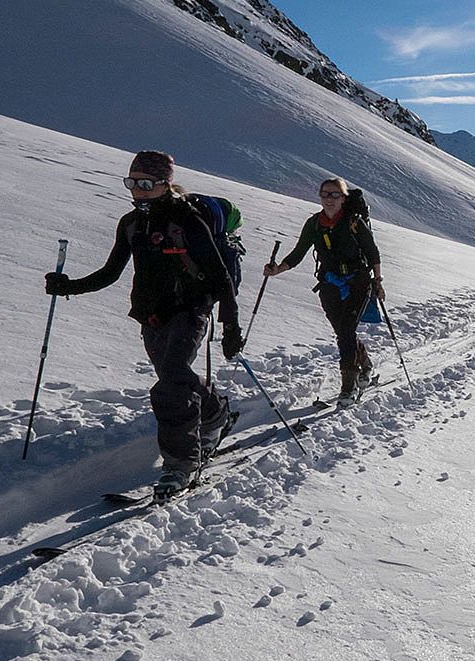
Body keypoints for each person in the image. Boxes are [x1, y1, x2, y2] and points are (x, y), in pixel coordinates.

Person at [45, 150, 243, 500]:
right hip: (151, 313)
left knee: (171, 380)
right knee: (175, 377)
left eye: (146, 183)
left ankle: (180, 463)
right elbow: (110, 272)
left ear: (165, 184)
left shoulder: (188, 221)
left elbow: (220, 275)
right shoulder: (131, 223)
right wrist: (68, 287)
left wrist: (231, 326)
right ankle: (216, 414)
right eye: (132, 182)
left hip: (190, 308)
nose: (137, 189)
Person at [263, 177, 386, 404]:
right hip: (329, 283)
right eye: (325, 194)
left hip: (358, 281)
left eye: (334, 194)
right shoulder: (314, 224)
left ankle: (348, 388)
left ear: (343, 198)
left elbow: (372, 252)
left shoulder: (354, 222)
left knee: (347, 329)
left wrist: (377, 280)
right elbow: (298, 253)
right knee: (343, 331)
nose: (329, 199)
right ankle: (365, 364)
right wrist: (277, 269)